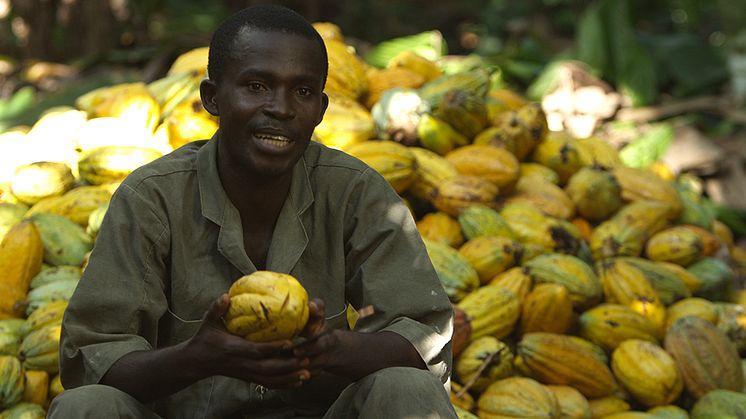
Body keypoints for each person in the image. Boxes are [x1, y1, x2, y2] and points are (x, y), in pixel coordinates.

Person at [48, 4, 456, 418]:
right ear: (212, 98)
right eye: (257, 86)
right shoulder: (152, 198)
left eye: (302, 91)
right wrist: (199, 357)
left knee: (407, 388)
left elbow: (423, 339)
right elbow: (91, 359)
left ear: (320, 109)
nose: (281, 108)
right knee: (87, 407)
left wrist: (330, 349)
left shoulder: (356, 192)